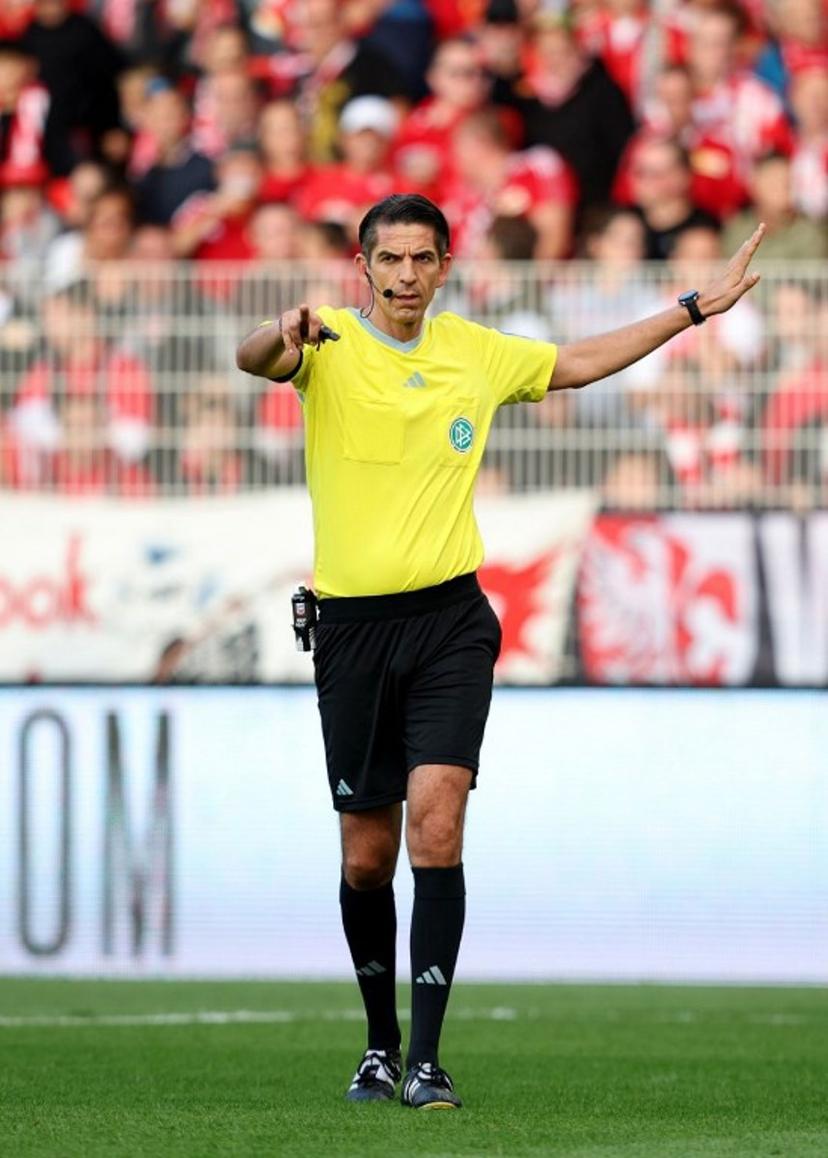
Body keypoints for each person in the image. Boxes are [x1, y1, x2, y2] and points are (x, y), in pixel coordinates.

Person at [235, 193, 765, 1110]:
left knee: (436, 825)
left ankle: (429, 1062)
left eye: (423, 259)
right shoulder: (325, 345)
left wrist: (690, 310)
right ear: (364, 268)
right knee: (367, 856)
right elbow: (254, 360)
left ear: (445, 267)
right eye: (390, 259)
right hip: (352, 628)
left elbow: (584, 361)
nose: (406, 275)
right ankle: (378, 1045)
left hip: (450, 623)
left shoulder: (477, 351)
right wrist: (278, 329)